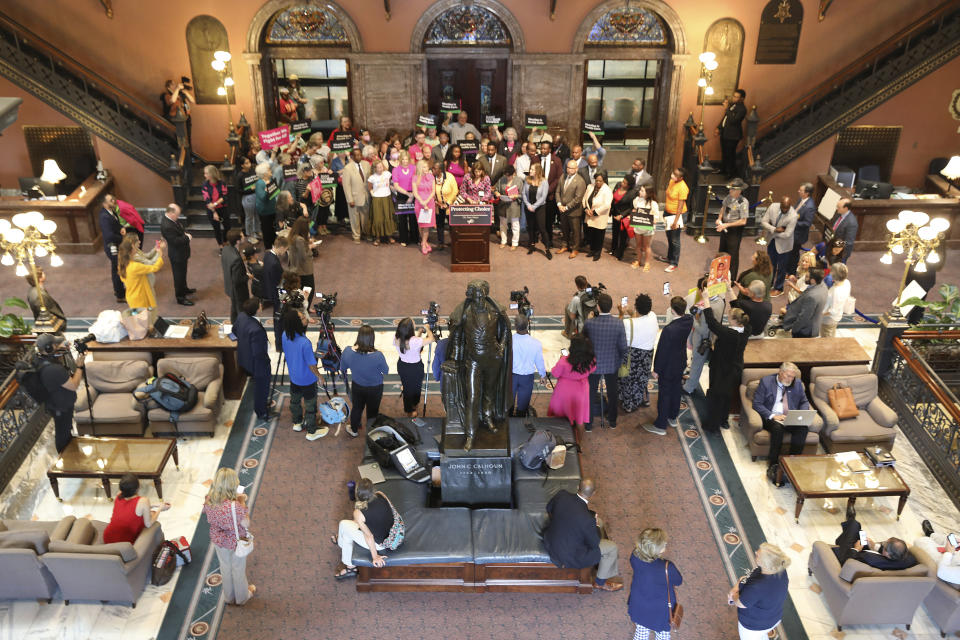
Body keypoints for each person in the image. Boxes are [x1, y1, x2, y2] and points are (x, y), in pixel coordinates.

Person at [542, 478, 623, 592]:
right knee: (612, 548)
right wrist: (595, 526)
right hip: (568, 556)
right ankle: (600, 583)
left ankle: (602, 563)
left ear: (577, 487)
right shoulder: (587, 520)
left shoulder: (562, 495)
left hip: (551, 540)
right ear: (593, 493)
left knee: (598, 521)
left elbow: (549, 508)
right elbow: (594, 544)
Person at [203, 467, 256, 605]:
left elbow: (207, 514)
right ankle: (242, 598)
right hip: (235, 541)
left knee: (225, 567)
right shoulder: (234, 506)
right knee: (237, 569)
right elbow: (246, 523)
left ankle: (229, 597)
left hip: (219, 539)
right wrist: (242, 501)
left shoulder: (209, 499)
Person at [333, 478, 404, 579]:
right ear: (373, 490)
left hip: (380, 544)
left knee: (343, 524)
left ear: (357, 493)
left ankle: (351, 567)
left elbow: (369, 536)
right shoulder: (380, 494)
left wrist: (375, 556)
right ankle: (341, 539)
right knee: (348, 528)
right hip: (394, 534)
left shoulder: (358, 513)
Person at [751, 362, 810, 483]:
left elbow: (804, 401)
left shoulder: (797, 383)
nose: (790, 379)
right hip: (772, 417)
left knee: (803, 429)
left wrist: (801, 413)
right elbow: (757, 404)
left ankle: (792, 463)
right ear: (780, 373)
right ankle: (773, 464)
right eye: (788, 376)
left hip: (790, 417)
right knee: (778, 430)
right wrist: (773, 416)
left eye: (793, 377)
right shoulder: (766, 382)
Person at [701, 306, 751, 432]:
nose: (727, 317)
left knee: (716, 396)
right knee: (727, 395)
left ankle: (712, 425)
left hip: (721, 369)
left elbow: (712, 323)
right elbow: (742, 310)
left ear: (734, 320)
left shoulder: (729, 334)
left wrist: (707, 303)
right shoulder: (747, 329)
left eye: (729, 316)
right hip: (735, 368)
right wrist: (729, 290)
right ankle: (724, 420)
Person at [281, 307, 328, 440]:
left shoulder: (285, 334)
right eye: (302, 318)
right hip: (307, 379)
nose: (306, 318)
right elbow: (311, 364)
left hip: (294, 376)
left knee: (295, 401)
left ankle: (297, 422)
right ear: (296, 323)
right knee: (310, 405)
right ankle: (312, 431)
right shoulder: (305, 343)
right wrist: (319, 376)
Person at [648, 297, 692, 436]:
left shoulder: (669, 329)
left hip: (668, 366)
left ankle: (661, 425)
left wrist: (656, 369)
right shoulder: (688, 320)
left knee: (665, 394)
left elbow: (662, 351)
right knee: (676, 390)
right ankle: (673, 418)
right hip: (680, 362)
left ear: (672, 310)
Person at [628, 528, 683, 640]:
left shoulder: (634, 555)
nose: (665, 546)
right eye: (664, 545)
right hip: (660, 609)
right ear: (658, 550)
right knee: (662, 635)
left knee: (641, 633)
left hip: (639, 603)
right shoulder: (667, 567)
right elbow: (679, 581)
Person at [35, 333, 85, 453]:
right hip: (61, 406)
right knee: (62, 433)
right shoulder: (54, 370)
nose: (58, 346)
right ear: (49, 348)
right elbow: (73, 385)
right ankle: (64, 457)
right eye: (55, 345)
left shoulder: (40, 359)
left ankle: (68, 448)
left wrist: (63, 347)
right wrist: (79, 367)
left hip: (54, 402)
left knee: (65, 429)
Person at [584, 293, 627, 431]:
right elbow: (623, 347)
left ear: (598, 307)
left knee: (589, 394)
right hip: (612, 364)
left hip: (593, 365)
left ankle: (589, 424)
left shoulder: (589, 323)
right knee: (612, 394)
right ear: (611, 307)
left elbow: (583, 342)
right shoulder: (618, 323)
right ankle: (613, 421)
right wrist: (618, 361)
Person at [729, 543, 790, 640]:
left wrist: (734, 595)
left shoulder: (757, 588)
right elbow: (747, 578)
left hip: (754, 626)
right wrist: (738, 585)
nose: (755, 552)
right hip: (773, 616)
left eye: (758, 554)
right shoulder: (780, 570)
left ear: (765, 563)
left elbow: (740, 603)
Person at [339, 325, 389, 437]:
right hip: (375, 388)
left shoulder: (347, 351)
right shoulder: (378, 355)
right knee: (373, 411)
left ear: (359, 336)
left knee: (357, 408)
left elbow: (342, 368)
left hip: (358, 386)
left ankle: (354, 430)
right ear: (372, 338)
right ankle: (372, 433)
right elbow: (385, 371)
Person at [832, 507, 916, 570]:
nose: (882, 543)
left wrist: (856, 549)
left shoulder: (870, 559)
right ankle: (850, 522)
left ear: (888, 554)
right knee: (859, 531)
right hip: (866, 551)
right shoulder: (909, 560)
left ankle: (849, 522)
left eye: (884, 545)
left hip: (847, 556)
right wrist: (874, 546)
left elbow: (847, 562)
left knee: (853, 525)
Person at [103, 473, 170, 544]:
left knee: (150, 513)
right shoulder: (143, 500)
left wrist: (155, 505)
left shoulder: (119, 495)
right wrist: (160, 509)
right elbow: (148, 524)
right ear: (138, 487)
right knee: (152, 513)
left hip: (108, 537)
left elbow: (131, 509)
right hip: (125, 542)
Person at [619, 294, 658, 413]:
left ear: (636, 307)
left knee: (628, 379)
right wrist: (632, 312)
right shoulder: (653, 316)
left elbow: (617, 328)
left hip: (632, 356)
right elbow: (639, 319)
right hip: (647, 355)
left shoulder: (627, 323)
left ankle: (628, 404)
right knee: (641, 378)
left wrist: (621, 313)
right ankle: (641, 398)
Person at [547, 334, 596, 430]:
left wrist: (561, 358)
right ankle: (579, 442)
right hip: (582, 389)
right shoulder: (591, 360)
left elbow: (555, 373)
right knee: (579, 419)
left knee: (561, 416)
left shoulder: (564, 361)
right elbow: (593, 370)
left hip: (565, 390)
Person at [234, 297, 272, 420]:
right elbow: (259, 353)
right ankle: (261, 412)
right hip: (257, 364)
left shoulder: (241, 316)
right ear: (257, 309)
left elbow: (234, 330)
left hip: (243, 357)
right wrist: (267, 362)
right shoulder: (256, 330)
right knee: (262, 388)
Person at [394, 317, 435, 418]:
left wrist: (419, 333)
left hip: (402, 366)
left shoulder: (396, 338)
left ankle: (409, 407)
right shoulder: (415, 341)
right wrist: (427, 328)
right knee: (416, 388)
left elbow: (411, 345)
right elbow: (432, 339)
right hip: (415, 368)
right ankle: (411, 408)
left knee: (407, 388)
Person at [760, 196, 798, 296]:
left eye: (787, 208)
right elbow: (763, 222)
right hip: (772, 241)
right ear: (780, 204)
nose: (785, 210)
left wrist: (773, 232)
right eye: (783, 207)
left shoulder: (793, 216)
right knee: (770, 264)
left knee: (782, 267)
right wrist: (775, 229)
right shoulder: (773, 207)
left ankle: (779, 288)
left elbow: (787, 234)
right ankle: (769, 283)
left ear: (790, 206)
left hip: (784, 245)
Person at [160, 203, 195, 306]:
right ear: (171, 213)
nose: (178, 217)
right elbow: (175, 241)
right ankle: (180, 297)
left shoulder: (172, 220)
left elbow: (180, 229)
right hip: (177, 255)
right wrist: (187, 237)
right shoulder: (167, 225)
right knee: (178, 276)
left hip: (182, 253)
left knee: (183, 273)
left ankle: (184, 289)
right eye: (177, 214)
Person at [511, 314, 545, 417]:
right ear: (528, 324)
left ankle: (508, 420)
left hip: (511, 377)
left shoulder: (509, 341)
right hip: (527, 378)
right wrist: (542, 375)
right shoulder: (536, 343)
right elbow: (539, 361)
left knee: (508, 403)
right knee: (523, 406)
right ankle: (520, 420)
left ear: (515, 326)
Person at [118, 234, 165, 309]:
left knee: (141, 317)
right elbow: (154, 267)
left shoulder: (123, 263)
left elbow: (147, 257)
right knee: (146, 316)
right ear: (130, 250)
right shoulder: (134, 266)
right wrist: (160, 254)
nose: (139, 242)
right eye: (133, 248)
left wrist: (156, 249)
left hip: (133, 296)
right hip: (141, 297)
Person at [717, 178, 750, 278]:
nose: (730, 191)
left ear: (739, 190)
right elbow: (723, 208)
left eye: (732, 189)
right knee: (722, 250)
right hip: (724, 227)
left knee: (732, 254)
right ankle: (720, 274)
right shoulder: (728, 197)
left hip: (734, 230)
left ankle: (731, 278)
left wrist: (726, 225)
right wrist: (719, 218)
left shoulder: (743, 202)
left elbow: (743, 221)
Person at [782, 268, 828, 338]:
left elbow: (804, 317)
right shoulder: (822, 285)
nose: (804, 279)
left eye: (807, 277)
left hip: (805, 330)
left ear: (813, 280)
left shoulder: (812, 297)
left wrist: (795, 329)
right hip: (813, 323)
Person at [98, 194, 127, 302]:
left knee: (116, 269)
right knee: (118, 270)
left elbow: (116, 224)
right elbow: (109, 236)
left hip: (116, 244)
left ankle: (118, 289)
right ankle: (120, 295)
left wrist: (121, 228)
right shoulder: (104, 217)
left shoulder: (111, 212)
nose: (114, 201)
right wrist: (122, 237)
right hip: (112, 247)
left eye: (113, 199)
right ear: (104, 204)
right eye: (111, 200)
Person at [555, 159, 586, 258]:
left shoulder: (580, 181)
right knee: (564, 229)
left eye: (571, 168)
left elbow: (578, 199)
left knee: (576, 231)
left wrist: (566, 207)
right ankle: (565, 246)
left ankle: (575, 249)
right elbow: (557, 192)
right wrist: (559, 204)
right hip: (562, 209)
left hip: (574, 211)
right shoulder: (562, 177)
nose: (569, 170)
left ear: (576, 169)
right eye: (568, 167)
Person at [914, 521, 960, 586]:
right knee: (951, 538)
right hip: (955, 554)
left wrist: (949, 553)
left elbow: (942, 572)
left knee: (921, 541)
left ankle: (930, 537)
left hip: (946, 564)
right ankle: (931, 534)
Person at [522, 163, 552, 260]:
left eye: (532, 169)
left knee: (542, 228)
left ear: (537, 171)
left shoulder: (544, 182)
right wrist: (528, 205)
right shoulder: (527, 180)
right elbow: (523, 194)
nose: (530, 171)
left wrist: (534, 206)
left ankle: (547, 249)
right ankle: (532, 245)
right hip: (529, 207)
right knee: (530, 227)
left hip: (540, 208)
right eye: (530, 169)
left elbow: (543, 197)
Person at [582, 170, 613, 262]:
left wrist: (595, 212)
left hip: (599, 217)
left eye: (600, 181)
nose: (598, 182)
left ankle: (597, 253)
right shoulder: (590, 187)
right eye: (597, 180)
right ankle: (591, 250)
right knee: (590, 234)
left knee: (598, 236)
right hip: (589, 216)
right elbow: (584, 199)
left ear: (604, 180)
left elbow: (607, 205)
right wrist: (586, 209)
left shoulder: (607, 190)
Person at [662, 168, 688, 273]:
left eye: (676, 175)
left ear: (681, 178)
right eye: (673, 173)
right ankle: (669, 257)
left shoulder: (683, 187)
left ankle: (674, 262)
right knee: (669, 236)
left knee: (675, 240)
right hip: (668, 213)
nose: (673, 175)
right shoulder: (672, 181)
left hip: (677, 215)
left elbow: (680, 207)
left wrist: (675, 222)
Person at [342, 148, 371, 244]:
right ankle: (356, 236)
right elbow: (346, 186)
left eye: (360, 155)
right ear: (352, 156)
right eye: (356, 155)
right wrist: (349, 199)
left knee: (365, 218)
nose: (358, 157)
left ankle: (365, 234)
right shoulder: (348, 168)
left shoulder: (366, 164)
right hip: (354, 197)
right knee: (355, 218)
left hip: (366, 196)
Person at [716, 88, 746, 178]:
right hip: (725, 133)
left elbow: (733, 120)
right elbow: (725, 118)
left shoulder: (742, 109)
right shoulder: (733, 105)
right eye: (734, 96)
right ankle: (723, 169)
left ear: (742, 99)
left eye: (736, 97)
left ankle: (730, 172)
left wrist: (726, 109)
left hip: (733, 135)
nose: (734, 98)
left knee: (730, 154)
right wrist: (719, 127)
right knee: (724, 153)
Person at [220, 230, 249, 324]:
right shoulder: (236, 259)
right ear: (238, 241)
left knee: (234, 308)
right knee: (241, 310)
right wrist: (248, 276)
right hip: (238, 290)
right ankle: (241, 329)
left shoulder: (225, 249)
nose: (244, 236)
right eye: (242, 236)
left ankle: (234, 324)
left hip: (229, 285)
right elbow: (238, 279)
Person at [787, 182, 816, 275]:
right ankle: (788, 269)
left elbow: (807, 223)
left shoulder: (810, 207)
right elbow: (796, 211)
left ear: (807, 193)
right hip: (793, 232)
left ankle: (791, 272)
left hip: (798, 235)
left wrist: (794, 222)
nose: (798, 191)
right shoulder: (801, 199)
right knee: (790, 252)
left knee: (794, 254)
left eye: (801, 190)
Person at [366, 160, 397, 246]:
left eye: (381, 166)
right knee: (378, 218)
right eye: (378, 167)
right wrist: (372, 194)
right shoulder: (372, 177)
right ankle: (377, 237)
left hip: (387, 197)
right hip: (377, 199)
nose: (380, 168)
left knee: (388, 216)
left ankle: (389, 236)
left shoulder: (387, 174)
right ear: (374, 168)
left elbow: (391, 183)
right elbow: (370, 188)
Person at [391, 150, 418, 247]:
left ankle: (415, 238)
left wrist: (412, 195)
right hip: (402, 195)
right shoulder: (395, 170)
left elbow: (417, 182)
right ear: (400, 160)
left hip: (414, 194)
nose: (405, 161)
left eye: (407, 159)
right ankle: (404, 239)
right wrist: (407, 194)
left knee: (413, 218)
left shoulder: (414, 168)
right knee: (402, 218)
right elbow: (396, 186)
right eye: (403, 159)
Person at [630, 183, 660, 271]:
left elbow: (656, 218)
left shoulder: (653, 204)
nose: (640, 191)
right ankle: (638, 261)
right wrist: (634, 212)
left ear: (648, 193)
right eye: (640, 190)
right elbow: (635, 210)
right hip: (638, 227)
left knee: (646, 246)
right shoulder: (637, 200)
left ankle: (647, 263)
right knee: (638, 245)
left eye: (642, 190)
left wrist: (650, 218)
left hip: (648, 229)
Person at [609, 174, 638, 261]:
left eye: (625, 183)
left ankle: (620, 253)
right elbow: (613, 198)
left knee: (623, 236)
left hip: (624, 216)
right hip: (615, 213)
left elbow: (631, 207)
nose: (622, 183)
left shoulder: (632, 192)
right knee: (615, 232)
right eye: (623, 181)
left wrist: (621, 215)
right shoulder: (618, 185)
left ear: (629, 185)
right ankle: (613, 249)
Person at [538, 141, 562, 248]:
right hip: (537, 195)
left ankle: (549, 240)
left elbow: (558, 177)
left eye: (545, 149)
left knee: (549, 219)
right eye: (541, 148)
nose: (542, 150)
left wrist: (548, 189)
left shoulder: (556, 160)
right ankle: (536, 238)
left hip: (550, 196)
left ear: (550, 150)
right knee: (538, 218)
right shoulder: (536, 159)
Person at [493, 164, 523, 250]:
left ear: (514, 174)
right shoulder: (501, 179)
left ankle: (515, 242)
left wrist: (516, 196)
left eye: (509, 176)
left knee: (515, 225)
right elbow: (495, 189)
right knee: (503, 225)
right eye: (506, 175)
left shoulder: (519, 181)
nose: (507, 178)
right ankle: (503, 241)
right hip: (503, 205)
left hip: (514, 205)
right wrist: (497, 193)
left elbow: (522, 195)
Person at [201, 165, 231, 248]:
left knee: (227, 227)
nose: (204, 175)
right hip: (211, 210)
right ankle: (221, 245)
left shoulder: (222, 183)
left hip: (223, 208)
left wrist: (216, 204)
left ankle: (225, 241)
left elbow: (224, 197)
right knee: (217, 229)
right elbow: (207, 200)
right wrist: (214, 212)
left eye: (206, 173)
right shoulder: (205, 185)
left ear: (212, 174)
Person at [412, 159, 436, 254]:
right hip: (419, 203)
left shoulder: (431, 176)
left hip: (429, 203)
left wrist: (426, 201)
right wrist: (422, 202)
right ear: (420, 168)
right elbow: (415, 192)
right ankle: (424, 242)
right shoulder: (415, 178)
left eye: (427, 167)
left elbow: (433, 191)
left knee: (426, 226)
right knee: (421, 225)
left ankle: (423, 243)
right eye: (424, 167)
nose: (426, 169)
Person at [432, 160, 458, 249]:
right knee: (440, 225)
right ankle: (441, 243)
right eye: (433, 168)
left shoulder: (450, 177)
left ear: (441, 170)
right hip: (438, 205)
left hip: (449, 205)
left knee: (452, 225)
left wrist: (448, 203)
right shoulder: (432, 178)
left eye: (435, 168)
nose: (433, 170)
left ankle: (454, 242)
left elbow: (455, 191)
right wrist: (436, 202)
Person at [821, 263, 851, 338]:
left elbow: (832, 311)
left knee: (826, 338)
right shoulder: (847, 282)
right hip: (837, 315)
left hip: (828, 319)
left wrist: (820, 314)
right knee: (830, 334)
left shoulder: (836, 291)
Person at [254, 162, 278, 250]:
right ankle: (268, 248)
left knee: (273, 229)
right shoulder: (260, 183)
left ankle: (274, 245)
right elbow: (263, 198)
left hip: (272, 208)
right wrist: (267, 189)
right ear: (264, 173)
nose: (270, 171)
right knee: (266, 230)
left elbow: (275, 192)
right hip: (264, 211)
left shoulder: (271, 179)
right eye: (268, 170)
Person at [162, 78, 194, 143]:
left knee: (187, 138)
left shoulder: (180, 95)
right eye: (173, 84)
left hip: (185, 118)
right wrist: (177, 89)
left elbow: (192, 101)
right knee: (181, 139)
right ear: (168, 87)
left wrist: (186, 93)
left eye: (175, 84)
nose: (175, 85)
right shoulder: (166, 95)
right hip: (175, 119)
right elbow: (172, 100)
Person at [829, 197, 858, 262]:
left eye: (839, 207)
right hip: (832, 246)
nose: (837, 209)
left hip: (841, 253)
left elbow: (849, 242)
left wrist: (835, 246)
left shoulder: (852, 223)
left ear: (846, 208)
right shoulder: (838, 213)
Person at [261, 235, 287, 309]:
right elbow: (279, 280)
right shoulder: (274, 263)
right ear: (282, 248)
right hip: (275, 292)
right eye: (286, 249)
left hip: (269, 287)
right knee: (279, 310)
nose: (285, 252)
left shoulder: (267, 254)